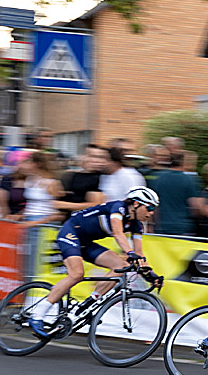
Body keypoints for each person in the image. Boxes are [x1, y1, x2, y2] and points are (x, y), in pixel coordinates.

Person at [28, 187, 162, 338]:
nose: (151, 213)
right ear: (136, 204)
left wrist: (150, 274)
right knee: (77, 274)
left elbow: (139, 254)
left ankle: (87, 305)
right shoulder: (118, 207)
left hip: (86, 242)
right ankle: (37, 315)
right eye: (149, 208)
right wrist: (129, 253)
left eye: (153, 209)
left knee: (121, 267)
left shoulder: (137, 225)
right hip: (71, 233)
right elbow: (118, 233)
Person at [149, 150, 199, 236]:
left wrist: (152, 225)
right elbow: (195, 207)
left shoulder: (158, 178)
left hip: (162, 227)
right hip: (183, 227)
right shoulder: (189, 180)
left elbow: (153, 205)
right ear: (183, 162)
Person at [57, 144, 107, 215]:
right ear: (82, 157)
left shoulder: (99, 178)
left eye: (101, 157)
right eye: (93, 156)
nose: (98, 161)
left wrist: (63, 205)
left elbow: (96, 205)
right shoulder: (72, 176)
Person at [19, 151, 64, 228]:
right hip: (28, 219)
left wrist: (37, 222)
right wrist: (20, 215)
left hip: (45, 221)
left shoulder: (51, 182)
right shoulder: (28, 180)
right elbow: (32, 204)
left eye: (29, 163)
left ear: (38, 164)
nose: (24, 166)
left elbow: (59, 212)